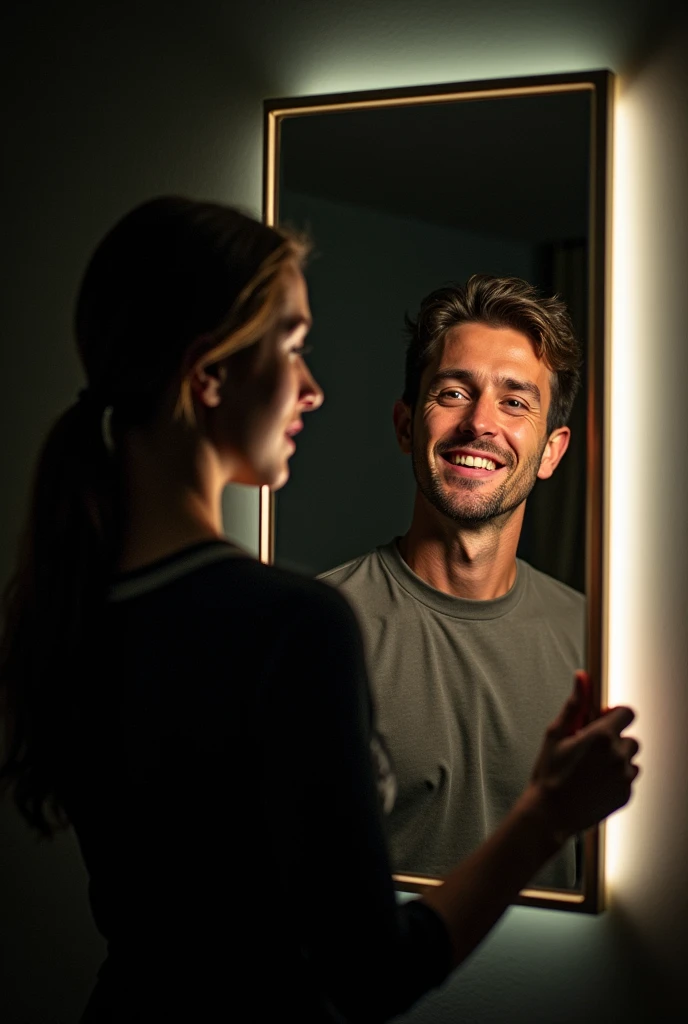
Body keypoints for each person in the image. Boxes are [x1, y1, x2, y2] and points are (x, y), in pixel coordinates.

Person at [0, 198, 639, 1023]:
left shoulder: (84, 602)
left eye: (517, 401)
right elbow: (368, 972)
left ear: (554, 447)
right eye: (294, 348)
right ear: (209, 375)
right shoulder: (297, 626)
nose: (313, 388)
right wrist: (546, 815)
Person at [320, 277, 587, 887]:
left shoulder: (595, 644)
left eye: (515, 402)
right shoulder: (320, 627)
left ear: (551, 452)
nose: (479, 424)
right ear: (406, 424)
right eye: (454, 392)